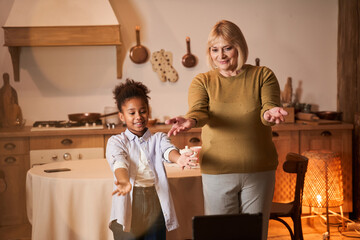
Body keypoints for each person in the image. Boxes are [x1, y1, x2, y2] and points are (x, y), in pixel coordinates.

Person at [166, 20, 288, 240]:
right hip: (217, 171)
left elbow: (267, 108)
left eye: (227, 48)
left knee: (254, 234)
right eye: (214, 49)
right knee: (220, 235)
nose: (220, 55)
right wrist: (190, 120)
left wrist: (270, 113)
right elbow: (199, 111)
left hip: (258, 170)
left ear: (239, 47)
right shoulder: (202, 81)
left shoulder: (262, 75)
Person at [106, 79, 198, 240]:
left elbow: (168, 150)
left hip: (155, 201)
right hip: (132, 200)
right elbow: (119, 162)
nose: (138, 117)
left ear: (148, 111)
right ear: (121, 116)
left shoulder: (158, 138)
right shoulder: (117, 142)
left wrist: (179, 159)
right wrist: (123, 181)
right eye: (132, 112)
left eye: (143, 111)